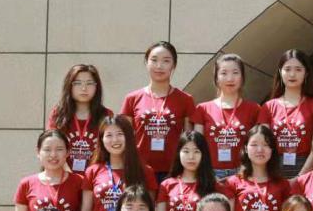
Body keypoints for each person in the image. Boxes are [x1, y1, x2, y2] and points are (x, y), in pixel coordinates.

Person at [74, 115, 157, 211]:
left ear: (129, 137)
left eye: (119, 134)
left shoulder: (145, 171)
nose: (114, 140)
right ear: (101, 140)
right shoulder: (93, 171)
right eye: (109, 135)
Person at [120, 42, 194, 183]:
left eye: (166, 61)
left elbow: (189, 139)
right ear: (146, 63)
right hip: (140, 169)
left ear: (174, 65)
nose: (159, 66)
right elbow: (125, 137)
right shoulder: (132, 98)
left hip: (173, 171)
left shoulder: (186, 99)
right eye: (154, 60)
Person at [258, 49, 313, 178]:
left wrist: (301, 176)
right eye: (287, 69)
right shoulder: (268, 107)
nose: (292, 74)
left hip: (305, 166)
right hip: (274, 167)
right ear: (280, 72)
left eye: (298, 69)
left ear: (306, 73)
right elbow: (263, 144)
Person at [191, 53, 261, 182]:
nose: (230, 78)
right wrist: (206, 173)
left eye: (235, 73)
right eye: (224, 73)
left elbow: (258, 144)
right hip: (211, 173)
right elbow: (197, 146)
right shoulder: (202, 109)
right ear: (216, 78)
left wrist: (245, 170)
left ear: (242, 77)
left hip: (243, 172)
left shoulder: (254, 109)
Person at [14, 130, 84, 211]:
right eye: (47, 149)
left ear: (68, 152)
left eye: (59, 149)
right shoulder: (26, 184)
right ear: (38, 152)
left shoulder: (79, 182)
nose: (53, 155)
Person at [157, 131, 224, 211]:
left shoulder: (214, 185)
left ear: (204, 155)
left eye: (196, 151)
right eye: (186, 151)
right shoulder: (166, 185)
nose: (191, 157)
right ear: (178, 153)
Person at [48, 63, 112, 175]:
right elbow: (51, 146)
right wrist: (70, 176)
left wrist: (93, 177)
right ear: (69, 86)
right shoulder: (58, 114)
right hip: (63, 176)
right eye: (77, 83)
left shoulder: (106, 115)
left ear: (97, 87)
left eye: (89, 83)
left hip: (97, 177)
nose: (84, 88)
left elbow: (110, 151)